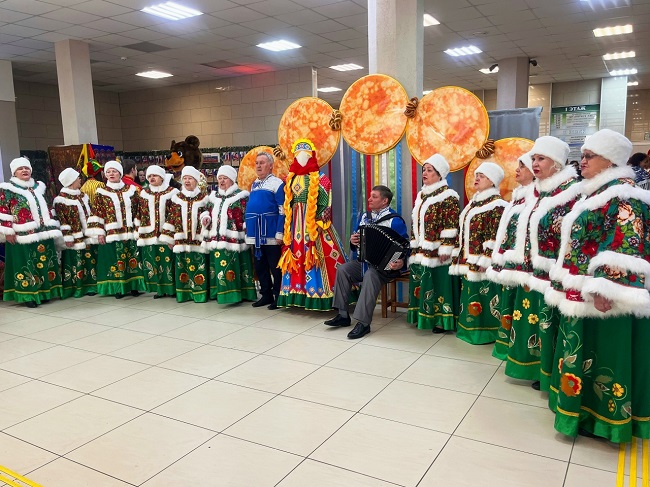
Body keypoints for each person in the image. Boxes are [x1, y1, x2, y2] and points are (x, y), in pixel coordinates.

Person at [545, 129, 650, 442]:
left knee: (603, 355)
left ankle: (604, 421)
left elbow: (627, 243)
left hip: (604, 296)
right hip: (582, 290)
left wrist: (607, 287)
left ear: (611, 161)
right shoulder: (594, 193)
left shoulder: (624, 194)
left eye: (590, 156)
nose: (583, 161)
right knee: (581, 351)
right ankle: (580, 412)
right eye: (583, 156)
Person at [526, 136, 581, 391]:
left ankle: (553, 378)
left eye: (541, 159)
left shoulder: (572, 192)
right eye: (533, 159)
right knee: (544, 323)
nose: (535, 164)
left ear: (557, 163)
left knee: (555, 324)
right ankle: (544, 372)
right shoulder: (544, 191)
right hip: (543, 270)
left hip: (559, 271)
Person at [325, 185, 409, 339]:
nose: (369, 199)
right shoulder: (365, 217)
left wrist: (401, 262)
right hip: (364, 263)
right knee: (343, 269)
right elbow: (357, 241)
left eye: (374, 197)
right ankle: (343, 315)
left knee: (371, 274)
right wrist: (353, 241)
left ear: (384, 201)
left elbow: (405, 246)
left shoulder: (395, 221)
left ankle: (363, 323)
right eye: (370, 196)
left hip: (386, 267)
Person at [277, 139, 347, 310]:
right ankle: (297, 293)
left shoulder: (321, 179)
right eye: (298, 154)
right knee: (296, 256)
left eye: (306, 154)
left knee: (320, 256)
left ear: (312, 156)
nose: (302, 157)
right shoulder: (289, 179)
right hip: (294, 226)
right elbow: (286, 203)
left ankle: (324, 294)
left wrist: (320, 221)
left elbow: (326, 203)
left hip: (314, 225)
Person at [486, 152, 538, 367]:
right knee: (511, 307)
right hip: (511, 263)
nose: (517, 170)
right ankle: (508, 348)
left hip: (526, 266)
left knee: (525, 312)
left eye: (522, 166)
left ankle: (525, 358)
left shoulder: (535, 197)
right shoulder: (518, 197)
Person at [449, 162, 507, 345]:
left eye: (482, 176)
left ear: (492, 181)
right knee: (471, 295)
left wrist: (486, 258)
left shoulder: (498, 205)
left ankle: (487, 333)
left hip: (483, 261)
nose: (477, 178)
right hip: (469, 259)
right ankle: (469, 331)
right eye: (477, 175)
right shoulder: (473, 203)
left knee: (485, 296)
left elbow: (495, 235)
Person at [407, 154, 460, 333]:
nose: (425, 173)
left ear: (440, 174)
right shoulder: (422, 195)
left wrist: (446, 247)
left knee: (439, 284)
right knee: (423, 282)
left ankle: (441, 321)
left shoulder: (448, 196)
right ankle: (423, 316)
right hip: (421, 249)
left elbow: (452, 224)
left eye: (429, 170)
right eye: (424, 170)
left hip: (438, 250)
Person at [0, 157, 63, 307]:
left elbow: (48, 207)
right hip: (21, 235)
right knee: (26, 264)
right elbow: (3, 210)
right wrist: (7, 231)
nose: (24, 170)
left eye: (26, 168)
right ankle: (28, 296)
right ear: (14, 172)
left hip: (44, 232)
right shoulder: (7, 189)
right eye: (20, 169)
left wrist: (52, 225)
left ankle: (45, 292)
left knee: (44, 262)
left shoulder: (39, 187)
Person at [86, 160, 146, 299]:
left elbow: (138, 210)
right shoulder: (101, 192)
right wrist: (99, 233)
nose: (111, 174)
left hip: (130, 232)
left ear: (120, 173)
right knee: (115, 260)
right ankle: (118, 288)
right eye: (108, 172)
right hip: (112, 233)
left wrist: (138, 227)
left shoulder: (131, 190)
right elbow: (97, 213)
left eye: (114, 171)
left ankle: (134, 286)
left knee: (132, 258)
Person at [202, 165, 256, 304]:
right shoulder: (213, 196)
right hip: (216, 239)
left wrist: (247, 229)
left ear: (232, 180)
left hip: (236, 239)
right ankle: (220, 293)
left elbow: (247, 214)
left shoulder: (241, 196)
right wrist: (206, 217)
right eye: (219, 178)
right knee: (219, 268)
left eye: (225, 178)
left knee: (236, 266)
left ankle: (240, 294)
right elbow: (207, 210)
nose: (221, 181)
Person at [160, 165, 210, 303]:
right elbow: (171, 218)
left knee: (199, 267)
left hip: (199, 241)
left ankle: (200, 294)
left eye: (190, 178)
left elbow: (208, 216)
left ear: (196, 180)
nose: (187, 181)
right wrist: (169, 238)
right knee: (182, 268)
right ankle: (184, 294)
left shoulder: (204, 198)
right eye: (185, 178)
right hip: (181, 241)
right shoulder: (177, 198)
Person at [245, 152, 285, 309]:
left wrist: (279, 232)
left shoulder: (277, 183)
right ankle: (266, 295)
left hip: (270, 232)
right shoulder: (254, 184)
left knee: (275, 267)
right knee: (260, 266)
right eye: (256, 163)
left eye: (262, 163)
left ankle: (278, 296)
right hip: (256, 233)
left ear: (271, 166)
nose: (258, 166)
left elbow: (282, 209)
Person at [53, 167, 97, 298]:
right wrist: (67, 237)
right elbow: (62, 220)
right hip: (73, 236)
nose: (80, 180)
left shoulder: (83, 196)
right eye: (78, 178)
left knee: (89, 260)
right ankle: (77, 287)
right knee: (76, 261)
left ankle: (91, 286)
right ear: (71, 180)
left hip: (87, 234)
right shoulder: (60, 199)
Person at [136, 165, 178, 299]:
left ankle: (172, 289)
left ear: (162, 177)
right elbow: (140, 213)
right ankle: (159, 289)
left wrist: (171, 234)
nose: (151, 178)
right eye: (149, 176)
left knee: (168, 261)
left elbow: (175, 214)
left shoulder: (172, 192)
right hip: (149, 234)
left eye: (154, 175)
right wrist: (138, 230)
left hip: (167, 234)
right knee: (154, 261)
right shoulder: (144, 193)